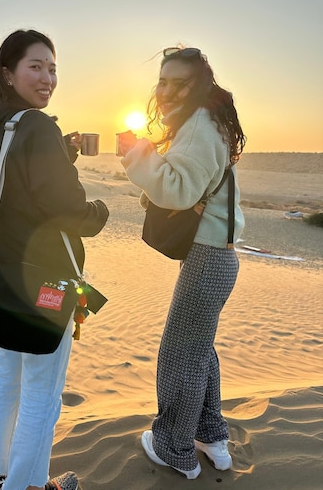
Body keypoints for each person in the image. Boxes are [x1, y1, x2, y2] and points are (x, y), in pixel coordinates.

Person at [0, 29, 109, 490]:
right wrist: (99, 212)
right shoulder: (37, 127)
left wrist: (59, 158)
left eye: (53, 68)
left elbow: (10, 197)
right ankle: (26, 484)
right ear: (8, 72)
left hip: (5, 274)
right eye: (35, 66)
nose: (47, 78)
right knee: (43, 389)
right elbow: (69, 211)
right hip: (46, 278)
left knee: (10, 375)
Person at [119, 46, 246, 480]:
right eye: (163, 81)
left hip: (207, 258)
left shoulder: (199, 125)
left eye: (180, 82)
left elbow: (177, 191)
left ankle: (174, 447)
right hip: (216, 255)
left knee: (181, 355)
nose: (168, 91)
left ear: (201, 85)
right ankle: (212, 438)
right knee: (198, 350)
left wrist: (137, 155)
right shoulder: (210, 122)